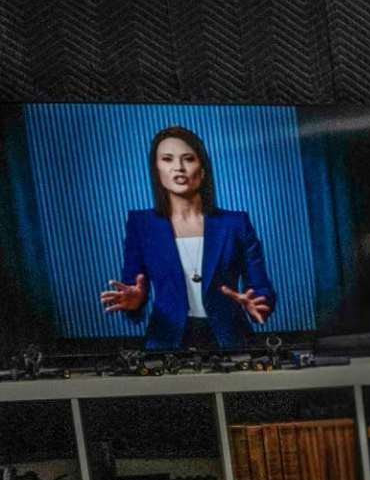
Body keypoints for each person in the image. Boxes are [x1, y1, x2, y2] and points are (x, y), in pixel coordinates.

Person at [99, 124, 279, 350]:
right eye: (167, 159)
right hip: (167, 341)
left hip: (231, 340)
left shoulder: (235, 223)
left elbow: (261, 286)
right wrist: (135, 302)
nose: (179, 168)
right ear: (156, 170)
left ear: (202, 170)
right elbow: (133, 287)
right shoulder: (141, 224)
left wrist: (259, 303)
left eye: (188, 159)